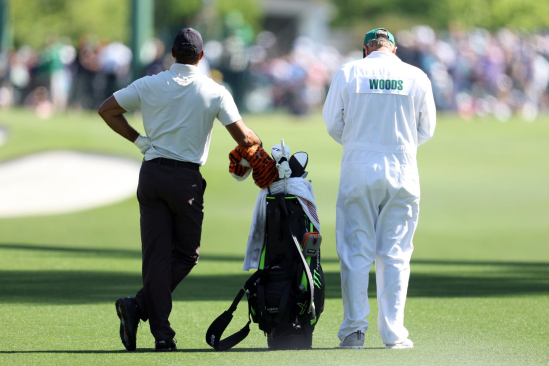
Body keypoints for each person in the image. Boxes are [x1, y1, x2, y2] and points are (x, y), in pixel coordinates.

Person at [97, 28, 261, 352]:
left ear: (172, 53)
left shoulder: (149, 83)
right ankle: (144, 313)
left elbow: (107, 110)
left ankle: (156, 328)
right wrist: (257, 145)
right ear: (201, 57)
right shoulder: (215, 91)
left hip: (152, 174)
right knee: (186, 254)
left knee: (156, 258)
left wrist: (140, 141)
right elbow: (245, 140)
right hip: (185, 180)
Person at [322, 28, 436, 349]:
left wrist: (358, 142)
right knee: (396, 254)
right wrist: (400, 144)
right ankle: (394, 334)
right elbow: (427, 128)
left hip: (359, 166)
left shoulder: (349, 72)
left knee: (355, 250)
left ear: (365, 49)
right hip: (403, 168)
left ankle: (354, 330)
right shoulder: (416, 76)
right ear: (394, 50)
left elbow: (333, 122)